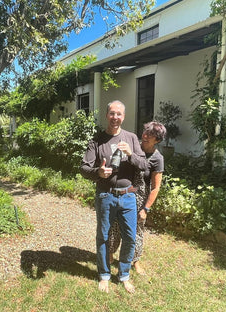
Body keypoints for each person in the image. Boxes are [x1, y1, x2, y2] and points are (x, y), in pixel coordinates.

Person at [80, 100, 147, 293]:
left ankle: (124, 275)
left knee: (130, 238)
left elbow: (144, 165)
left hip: (127, 197)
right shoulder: (97, 141)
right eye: (112, 113)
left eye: (119, 114)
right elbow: (84, 168)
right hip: (105, 196)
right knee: (103, 237)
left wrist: (131, 154)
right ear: (106, 115)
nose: (115, 117)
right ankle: (104, 275)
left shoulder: (131, 138)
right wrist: (98, 173)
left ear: (123, 117)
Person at [109, 121, 166, 275]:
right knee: (114, 226)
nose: (145, 135)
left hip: (139, 198)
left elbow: (155, 187)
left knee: (136, 231)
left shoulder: (157, 158)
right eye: (145, 131)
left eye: (151, 135)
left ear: (158, 140)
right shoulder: (132, 145)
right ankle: (110, 254)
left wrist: (145, 209)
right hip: (121, 192)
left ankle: (135, 261)